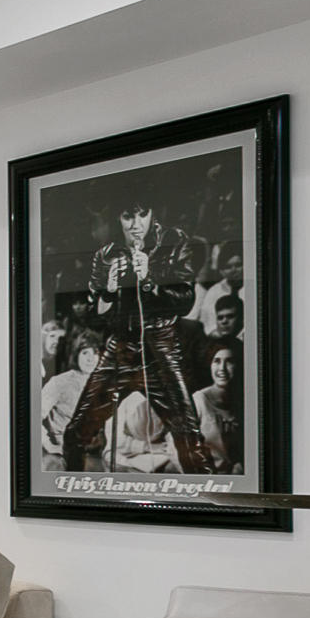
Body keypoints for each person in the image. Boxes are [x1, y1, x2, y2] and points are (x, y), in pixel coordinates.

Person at [62, 201, 216, 474]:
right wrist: (108, 291)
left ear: (152, 214)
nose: (136, 224)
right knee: (75, 433)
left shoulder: (173, 241)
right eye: (128, 216)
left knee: (189, 438)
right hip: (120, 348)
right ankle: (69, 491)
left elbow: (185, 301)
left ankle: (212, 497)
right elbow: (92, 316)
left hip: (160, 349)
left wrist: (150, 280)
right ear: (118, 218)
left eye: (142, 215)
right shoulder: (106, 253)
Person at [193, 342, 243, 473]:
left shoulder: (242, 400)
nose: (222, 368)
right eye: (216, 361)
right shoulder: (199, 400)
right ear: (209, 365)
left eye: (229, 361)